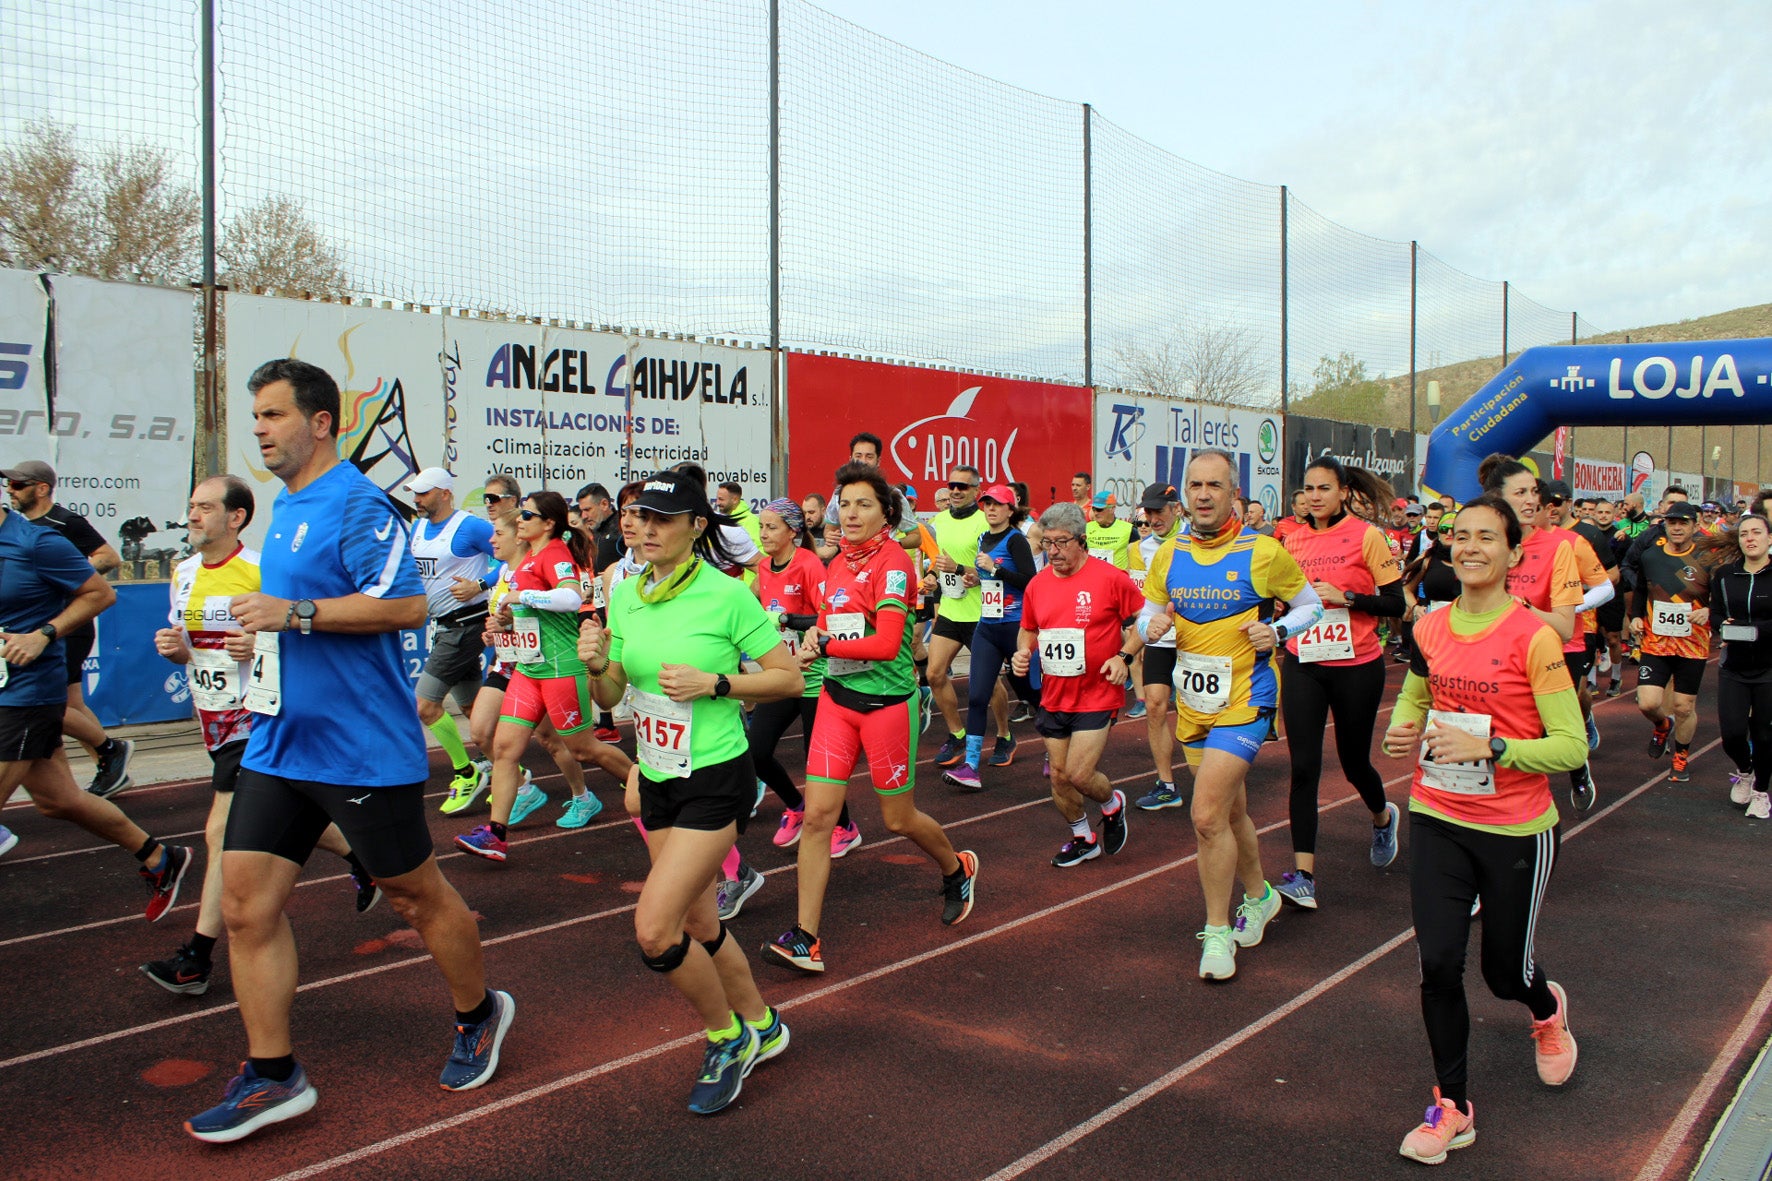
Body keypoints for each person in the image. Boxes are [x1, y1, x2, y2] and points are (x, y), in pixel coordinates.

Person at [187, 358, 512, 1143]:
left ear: (321, 421)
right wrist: (253, 641)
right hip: (279, 742)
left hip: (359, 749)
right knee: (243, 905)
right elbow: (301, 618)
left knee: (417, 896)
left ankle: (480, 1012)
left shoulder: (357, 501)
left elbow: (405, 604)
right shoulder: (287, 504)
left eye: (272, 415)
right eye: (256, 416)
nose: (258, 429)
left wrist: (293, 612)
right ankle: (273, 1074)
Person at [575, 469, 796, 1114]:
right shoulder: (626, 593)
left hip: (716, 777)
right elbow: (612, 698)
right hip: (659, 770)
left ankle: (727, 1037)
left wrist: (717, 683)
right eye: (637, 516)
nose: (643, 528)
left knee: (654, 929)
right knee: (699, 921)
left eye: (661, 519)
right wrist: (595, 666)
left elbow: (785, 679)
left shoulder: (728, 596)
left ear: (697, 527)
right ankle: (763, 1023)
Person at [1381, 494, 1584, 1165]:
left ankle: (1545, 1007)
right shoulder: (1432, 625)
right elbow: (1418, 689)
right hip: (1439, 814)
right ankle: (1453, 1107)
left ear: (1513, 553)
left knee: (1503, 972)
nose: (1469, 547)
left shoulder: (1534, 637)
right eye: (1459, 535)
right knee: (1437, 964)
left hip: (1516, 828)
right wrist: (1404, 722)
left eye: (1486, 537)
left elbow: (1571, 746)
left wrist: (1495, 748)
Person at [142, 476, 379, 996]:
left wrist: (260, 645)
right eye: (190, 506)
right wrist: (178, 650)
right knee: (280, 821)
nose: (193, 516)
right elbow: (190, 645)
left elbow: (295, 632)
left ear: (237, 518)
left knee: (220, 831)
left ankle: (197, 958)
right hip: (211, 714)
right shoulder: (182, 573)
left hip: (256, 716)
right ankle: (364, 856)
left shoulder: (260, 570)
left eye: (205, 507)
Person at [765, 462, 979, 975]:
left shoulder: (894, 563)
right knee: (818, 817)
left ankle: (957, 868)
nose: (852, 512)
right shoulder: (836, 561)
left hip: (886, 706)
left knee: (896, 819)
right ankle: (805, 938)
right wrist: (815, 637)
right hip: (838, 701)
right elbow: (829, 618)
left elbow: (886, 645)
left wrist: (828, 642)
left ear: (887, 512)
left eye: (864, 503)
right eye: (846, 503)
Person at [1141, 450, 1323, 980]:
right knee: (1231, 815)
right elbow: (1150, 608)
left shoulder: (1264, 552)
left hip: (1248, 697)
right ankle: (1262, 895)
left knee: (1204, 816)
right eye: (1195, 484)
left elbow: (1310, 605)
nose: (1202, 494)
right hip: (1195, 702)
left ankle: (1217, 933)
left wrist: (1281, 631)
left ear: (1233, 493)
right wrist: (1150, 625)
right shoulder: (1167, 552)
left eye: (1214, 486)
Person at [0, 480, 191, 904]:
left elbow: (99, 593)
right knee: (58, 800)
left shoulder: (36, 542)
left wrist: (44, 634)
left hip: (27, 694)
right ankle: (160, 856)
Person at [460, 490, 632, 860]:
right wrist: (505, 622)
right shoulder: (527, 559)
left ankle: (643, 785)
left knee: (583, 749)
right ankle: (495, 834)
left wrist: (523, 599)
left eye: (526, 515)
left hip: (560, 669)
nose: (518, 520)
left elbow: (570, 599)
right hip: (528, 668)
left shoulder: (554, 552)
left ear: (548, 523)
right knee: (505, 750)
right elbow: (530, 610)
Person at [1273, 458, 1405, 911]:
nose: (1314, 496)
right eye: (1308, 488)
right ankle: (1303, 875)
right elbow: (1282, 598)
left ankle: (1383, 816)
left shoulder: (1368, 536)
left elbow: (1396, 602)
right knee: (1304, 767)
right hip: (1303, 660)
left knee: (1353, 763)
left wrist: (1347, 597)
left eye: (1324, 488)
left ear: (1344, 491)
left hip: (1356, 663)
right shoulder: (1289, 538)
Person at [1013, 502, 1142, 865]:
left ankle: (1111, 802)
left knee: (1079, 773)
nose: (1051, 551)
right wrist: (1023, 652)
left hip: (1097, 692)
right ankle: (1083, 837)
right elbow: (1028, 629)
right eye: (1046, 543)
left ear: (1081, 541)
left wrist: (1124, 657)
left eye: (1060, 542)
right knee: (1058, 776)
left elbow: (1140, 624)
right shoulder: (1037, 585)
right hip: (1055, 694)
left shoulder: (1110, 578)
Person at [2, 460, 134, 796]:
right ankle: (105, 764)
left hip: (64, 624)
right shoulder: (16, 527)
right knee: (68, 704)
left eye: (18, 485)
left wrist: (66, 579)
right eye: (9, 485)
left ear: (42, 488)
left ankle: (108, 750)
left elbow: (108, 557)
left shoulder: (63, 522)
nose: (10, 490)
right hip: (34, 627)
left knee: (49, 705)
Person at [464, 508, 596, 830]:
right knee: (481, 732)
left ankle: (583, 795)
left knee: (555, 741)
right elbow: (511, 618)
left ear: (519, 539)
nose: (491, 540)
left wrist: (520, 610)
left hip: (540, 663)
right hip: (508, 664)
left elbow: (566, 601)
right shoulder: (502, 574)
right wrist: (498, 629)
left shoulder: (536, 568)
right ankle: (521, 790)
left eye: (499, 534)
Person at [750, 497, 861, 855]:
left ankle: (845, 827)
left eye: (771, 527)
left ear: (793, 532)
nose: (763, 534)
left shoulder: (810, 566)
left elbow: (828, 617)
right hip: (785, 674)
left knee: (818, 762)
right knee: (756, 751)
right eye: (761, 527)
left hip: (815, 678)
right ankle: (796, 806)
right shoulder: (764, 567)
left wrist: (785, 621)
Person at [404, 467, 500, 817]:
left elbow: (513, 556)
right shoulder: (417, 528)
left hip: (467, 626)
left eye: (424, 493)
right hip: (443, 626)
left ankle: (466, 772)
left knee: (426, 706)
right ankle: (514, 777)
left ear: (445, 493)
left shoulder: (469, 527)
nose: (417, 499)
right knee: (475, 712)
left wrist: (481, 584)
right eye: (415, 493)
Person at [941, 484, 1038, 789]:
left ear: (1011, 509)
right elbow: (987, 580)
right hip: (987, 627)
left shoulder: (1016, 541)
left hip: (1015, 628)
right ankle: (970, 766)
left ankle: (1058, 747)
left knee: (1032, 693)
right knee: (978, 695)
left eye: (998, 504)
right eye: (987, 504)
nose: (991, 509)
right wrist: (974, 579)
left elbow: (1030, 584)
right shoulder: (984, 538)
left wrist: (995, 569)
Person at [924, 465, 1011, 768]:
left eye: (963, 486)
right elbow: (936, 562)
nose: (957, 491)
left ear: (977, 490)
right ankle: (956, 734)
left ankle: (1004, 735)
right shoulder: (937, 521)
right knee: (934, 674)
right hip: (950, 609)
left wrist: (971, 574)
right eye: (953, 486)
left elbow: (994, 568)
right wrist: (933, 578)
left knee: (988, 683)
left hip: (980, 614)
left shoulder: (983, 523)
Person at [1630, 501, 1718, 783]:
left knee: (1683, 706)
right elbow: (1642, 589)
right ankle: (1661, 725)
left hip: (1692, 643)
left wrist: (1711, 611)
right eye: (1671, 522)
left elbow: (1722, 595)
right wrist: (1635, 617)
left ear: (1694, 526)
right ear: (1665, 524)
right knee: (1647, 703)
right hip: (1656, 642)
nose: (1677, 527)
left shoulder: (1706, 557)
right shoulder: (1651, 556)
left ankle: (1681, 756)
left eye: (1683, 523)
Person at [1712, 513, 1772, 818]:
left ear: (1769, 539)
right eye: (1744, 534)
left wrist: (1752, 630)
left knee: (1764, 734)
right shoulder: (1724, 575)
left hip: (1769, 668)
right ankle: (1745, 769)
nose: (1750, 538)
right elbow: (1716, 615)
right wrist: (1723, 626)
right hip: (1734, 666)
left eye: (1756, 533)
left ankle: (1761, 791)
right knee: (1733, 733)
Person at [1132, 483, 1187, 808]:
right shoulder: (1140, 549)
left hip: (1197, 641)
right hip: (1160, 640)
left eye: (1159, 511)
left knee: (1198, 711)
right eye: (1148, 512)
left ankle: (1215, 773)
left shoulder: (1197, 540)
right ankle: (1166, 783)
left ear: (1176, 509)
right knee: (1154, 705)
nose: (1153, 518)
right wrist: (1139, 632)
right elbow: (1141, 599)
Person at [1085, 491, 1134, 570]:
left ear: (1112, 509)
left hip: (1117, 580)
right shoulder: (1086, 528)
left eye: (1099, 509)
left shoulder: (1128, 529)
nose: (1096, 513)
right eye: (1094, 509)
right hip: (1094, 578)